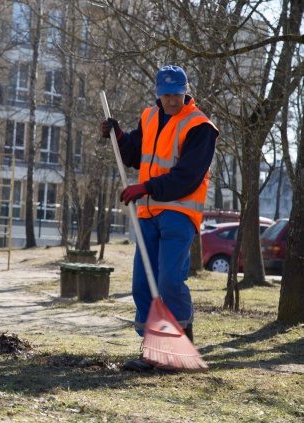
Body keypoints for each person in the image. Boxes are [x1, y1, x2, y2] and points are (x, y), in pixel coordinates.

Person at [101, 65, 219, 371]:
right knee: (143, 282)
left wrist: (146, 187)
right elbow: (134, 154)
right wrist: (118, 136)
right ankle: (153, 350)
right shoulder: (150, 117)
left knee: (168, 279)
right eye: (165, 94)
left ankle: (182, 346)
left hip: (179, 212)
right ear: (158, 93)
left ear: (185, 91)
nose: (170, 100)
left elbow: (187, 177)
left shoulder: (200, 127)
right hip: (149, 212)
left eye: (176, 94)